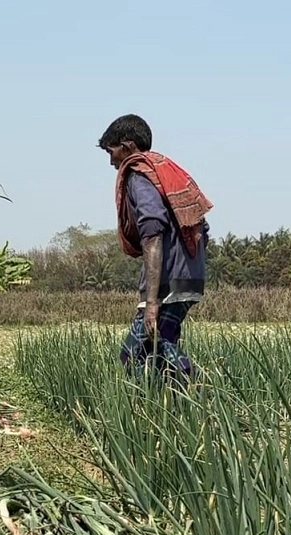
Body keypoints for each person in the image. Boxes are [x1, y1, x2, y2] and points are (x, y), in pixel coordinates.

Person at [99, 113, 212, 381]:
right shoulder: (164, 171)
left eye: (111, 152)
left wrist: (151, 302)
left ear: (126, 146)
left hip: (168, 284)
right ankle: (177, 402)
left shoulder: (139, 175)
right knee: (159, 355)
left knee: (133, 355)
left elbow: (152, 231)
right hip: (189, 278)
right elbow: (201, 231)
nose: (111, 161)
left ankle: (200, 390)